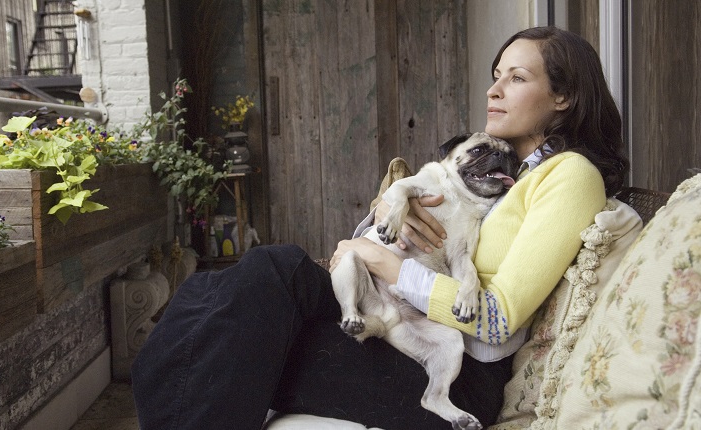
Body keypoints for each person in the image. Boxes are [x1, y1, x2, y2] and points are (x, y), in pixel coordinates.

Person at [131, 26, 628, 430]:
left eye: (517, 78)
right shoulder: (499, 172)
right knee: (259, 273)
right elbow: (427, 221)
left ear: (563, 96)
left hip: (451, 367)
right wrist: (389, 220)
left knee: (230, 341)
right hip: (396, 316)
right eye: (496, 75)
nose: (493, 90)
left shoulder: (568, 176)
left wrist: (385, 261)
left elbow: (496, 321)